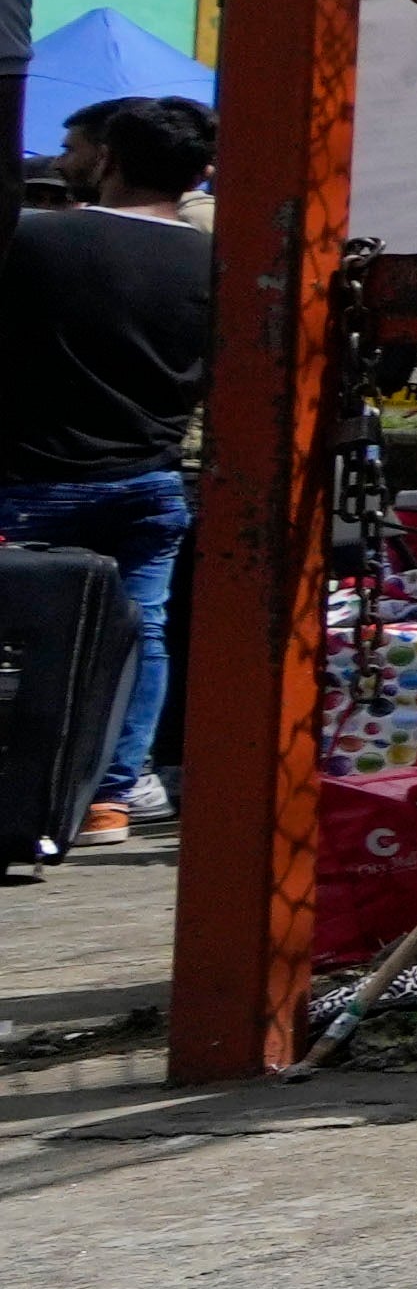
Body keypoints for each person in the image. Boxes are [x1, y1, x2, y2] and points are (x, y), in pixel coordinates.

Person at [4, 93, 221, 854]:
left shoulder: (33, 243)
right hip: (149, 481)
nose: (64, 163)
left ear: (110, 158)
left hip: (30, 480)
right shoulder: (211, 260)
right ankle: (110, 802)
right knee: (141, 633)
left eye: (77, 151)